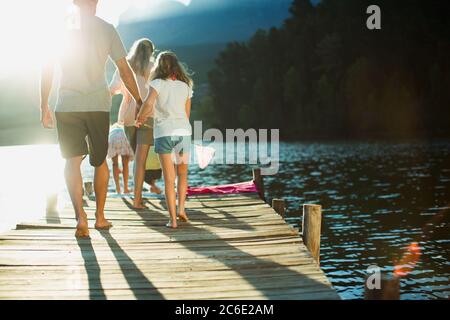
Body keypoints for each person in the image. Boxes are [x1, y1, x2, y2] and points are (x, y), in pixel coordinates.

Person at [40, 0, 143, 238]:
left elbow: (47, 69)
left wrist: (44, 104)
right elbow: (124, 69)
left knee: (71, 162)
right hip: (97, 106)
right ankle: (99, 216)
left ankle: (80, 218)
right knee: (100, 161)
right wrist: (138, 99)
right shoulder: (107, 29)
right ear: (95, 4)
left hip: (67, 106)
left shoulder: (61, 29)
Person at [137, 51, 193, 229]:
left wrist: (140, 118)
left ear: (159, 66)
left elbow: (148, 103)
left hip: (164, 133)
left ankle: (173, 221)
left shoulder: (157, 83)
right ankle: (182, 210)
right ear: (177, 66)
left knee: (169, 179)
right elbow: (187, 114)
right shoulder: (186, 86)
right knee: (182, 173)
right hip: (183, 132)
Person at [110, 38, 155, 209]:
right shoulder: (153, 67)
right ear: (151, 51)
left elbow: (112, 89)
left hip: (128, 117)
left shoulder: (124, 65)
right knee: (141, 159)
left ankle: (136, 200)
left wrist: (123, 90)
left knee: (137, 158)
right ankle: (139, 199)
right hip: (148, 115)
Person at [107, 123, 134, 194]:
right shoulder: (123, 126)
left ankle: (118, 189)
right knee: (125, 165)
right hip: (123, 136)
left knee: (115, 165)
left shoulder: (112, 128)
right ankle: (125, 189)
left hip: (112, 138)